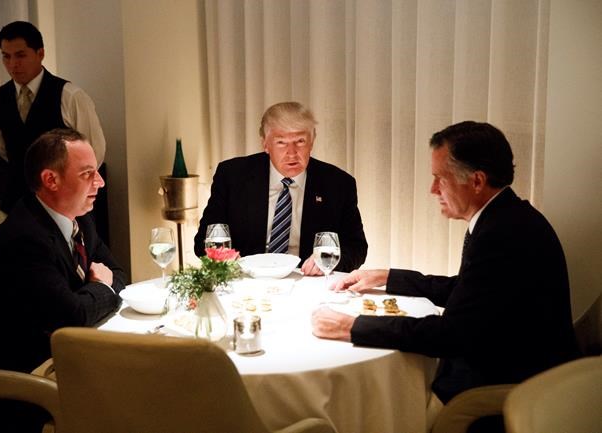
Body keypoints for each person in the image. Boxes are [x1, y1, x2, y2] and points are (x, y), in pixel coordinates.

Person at [311, 121, 580, 432]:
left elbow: (451, 335)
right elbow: (469, 291)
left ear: (476, 181)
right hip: (515, 366)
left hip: (507, 386)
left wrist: (351, 326)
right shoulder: (506, 217)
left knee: (370, 407)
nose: (433, 190)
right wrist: (387, 277)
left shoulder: (502, 235)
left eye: (440, 179)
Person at [0, 128, 125, 433]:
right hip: (11, 385)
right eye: (87, 174)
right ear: (51, 180)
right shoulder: (25, 238)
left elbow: (119, 274)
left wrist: (100, 290)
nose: (100, 182)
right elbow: (73, 315)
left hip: (60, 355)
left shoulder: (80, 219)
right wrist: (102, 287)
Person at [194, 101, 368, 274]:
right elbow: (204, 240)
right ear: (265, 144)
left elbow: (356, 247)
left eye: (300, 141)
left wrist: (326, 263)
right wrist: (224, 258)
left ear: (312, 141)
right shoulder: (232, 176)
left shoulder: (338, 183)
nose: (292, 153)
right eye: (281, 142)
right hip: (247, 278)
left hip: (308, 280)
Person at [0, 20, 106, 212]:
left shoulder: (70, 96)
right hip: (18, 201)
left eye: (20, 55)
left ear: (40, 53)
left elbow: (94, 153)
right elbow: (4, 150)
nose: (13, 64)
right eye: (6, 57)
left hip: (65, 202)